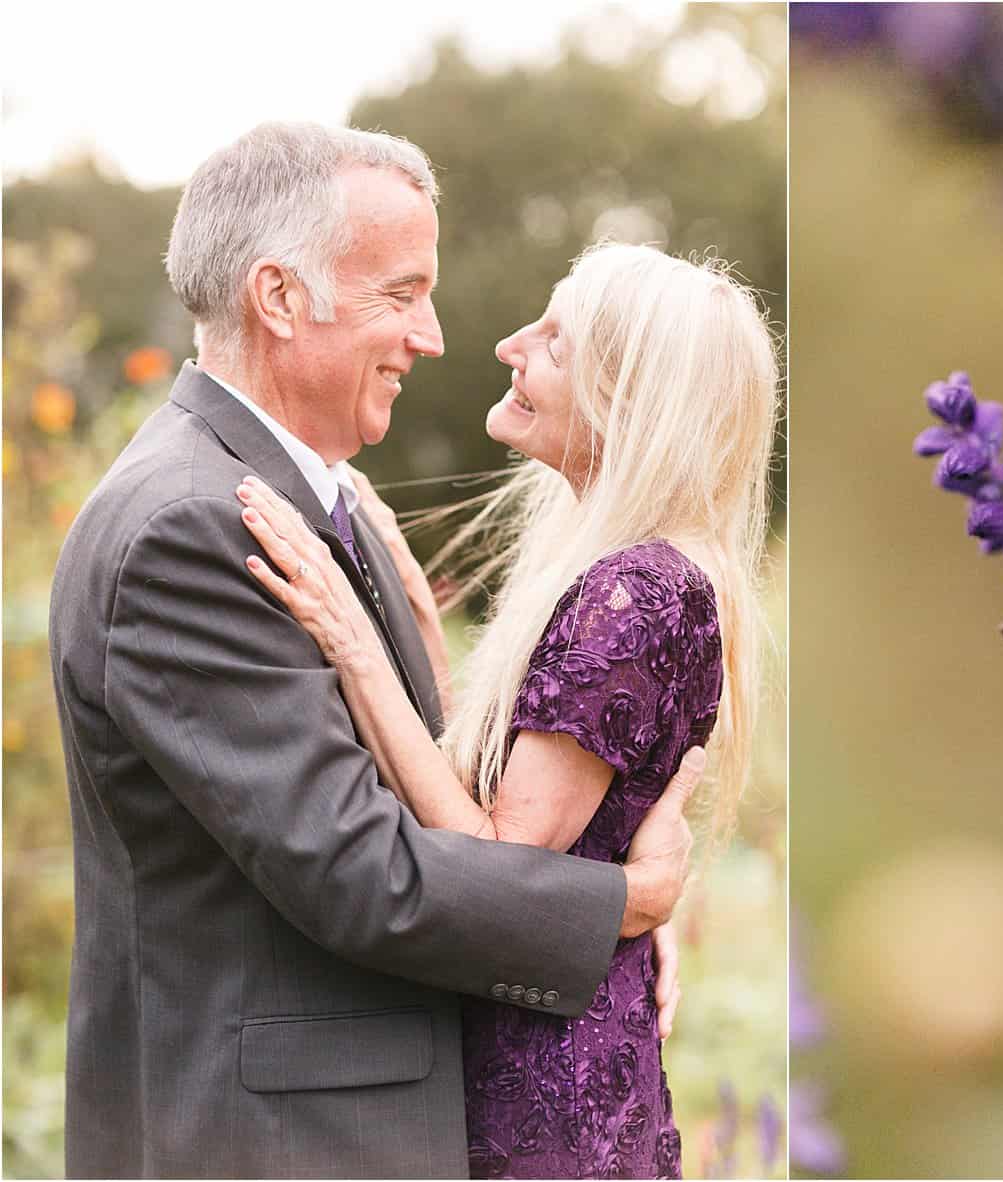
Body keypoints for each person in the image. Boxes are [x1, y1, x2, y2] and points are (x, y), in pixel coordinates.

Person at [47, 123, 700, 1179]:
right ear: (280, 298)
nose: (433, 336)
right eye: (401, 295)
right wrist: (615, 907)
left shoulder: (305, 501)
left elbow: (414, 782)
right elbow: (362, 873)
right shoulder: (195, 527)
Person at [234, 239, 778, 1178]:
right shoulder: (640, 572)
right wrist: (417, 627)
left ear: (627, 401)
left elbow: (497, 866)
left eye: (556, 342)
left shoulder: (636, 592)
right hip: (555, 1040)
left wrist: (353, 644)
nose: (511, 346)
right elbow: (537, 799)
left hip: (543, 1087)